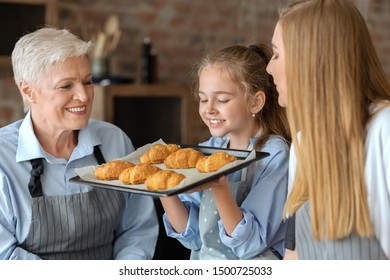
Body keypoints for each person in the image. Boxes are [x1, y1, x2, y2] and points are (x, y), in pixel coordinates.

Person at [0, 27, 159, 260]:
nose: (84, 97)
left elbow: (138, 230)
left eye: (87, 81)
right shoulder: (3, 157)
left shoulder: (115, 141)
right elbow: (5, 255)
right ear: (28, 91)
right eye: (66, 86)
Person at [266, 0, 390, 259]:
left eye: (276, 54)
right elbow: (294, 255)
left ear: (310, 59)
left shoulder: (384, 129)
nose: (269, 68)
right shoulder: (303, 143)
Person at [159, 44, 291, 260]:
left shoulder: (275, 155)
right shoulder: (209, 150)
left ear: (255, 102)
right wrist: (162, 188)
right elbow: (193, 236)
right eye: (203, 99)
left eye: (222, 100)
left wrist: (220, 188)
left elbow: (250, 244)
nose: (209, 108)